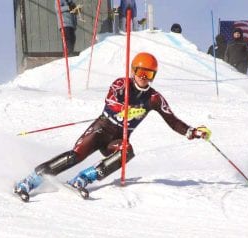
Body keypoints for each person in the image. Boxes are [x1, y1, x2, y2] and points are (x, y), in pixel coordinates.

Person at [14, 52, 212, 201]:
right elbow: (109, 100)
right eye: (141, 72)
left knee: (127, 150)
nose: (144, 77)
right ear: (133, 71)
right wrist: (123, 108)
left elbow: (172, 120)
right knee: (74, 156)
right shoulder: (121, 84)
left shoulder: (154, 98)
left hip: (117, 139)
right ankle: (30, 180)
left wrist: (192, 132)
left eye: (149, 74)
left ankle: (82, 179)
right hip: (102, 129)